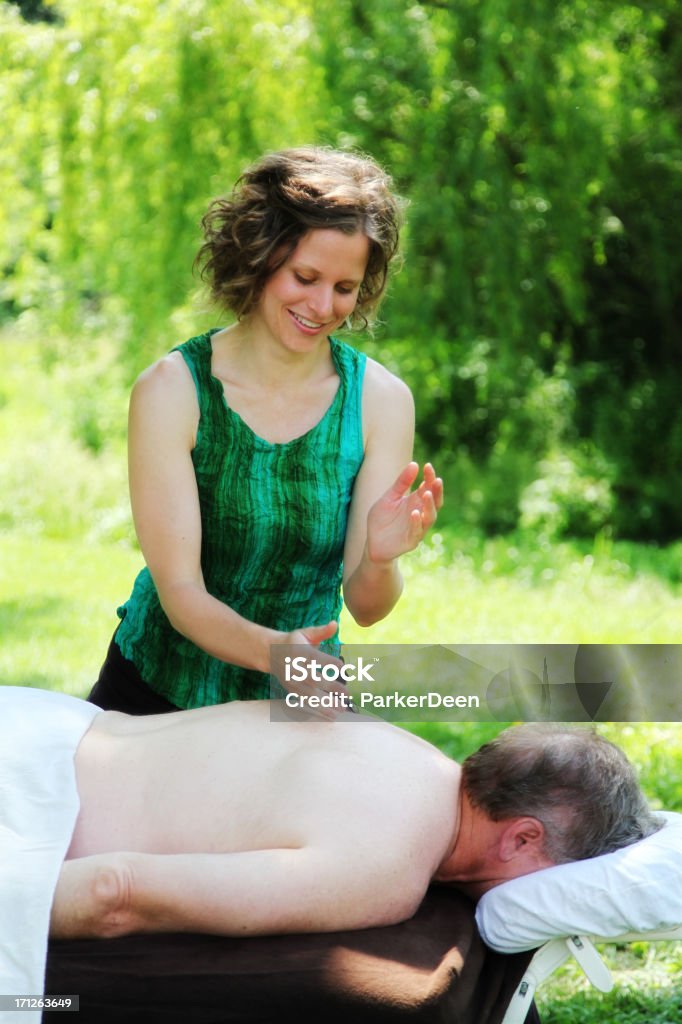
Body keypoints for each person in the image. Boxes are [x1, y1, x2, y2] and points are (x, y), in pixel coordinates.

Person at [88, 146, 443, 715]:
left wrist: (378, 560)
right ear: (258, 258)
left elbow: (368, 606)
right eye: (305, 277)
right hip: (155, 693)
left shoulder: (381, 402)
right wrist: (279, 653)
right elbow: (181, 595)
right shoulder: (172, 390)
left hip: (300, 699)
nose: (323, 305)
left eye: (345, 288)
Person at [50, 704, 659, 940]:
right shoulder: (389, 868)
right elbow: (116, 893)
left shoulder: (391, 740)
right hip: (29, 811)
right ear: (522, 836)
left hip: (42, 720)